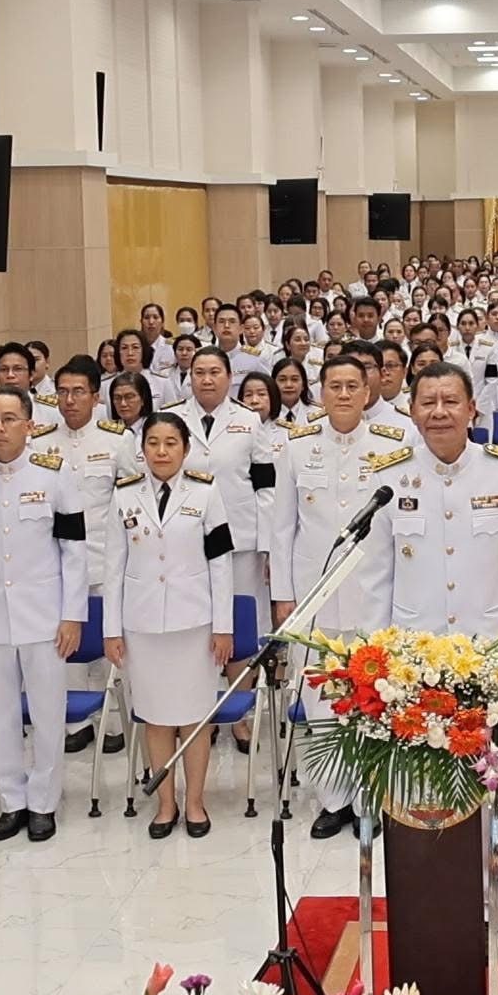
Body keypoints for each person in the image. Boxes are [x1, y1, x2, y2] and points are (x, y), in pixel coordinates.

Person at [385, 363, 498, 947]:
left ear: (473, 409)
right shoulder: (391, 479)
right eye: (427, 401)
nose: (439, 411)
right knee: (418, 793)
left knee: (486, 792)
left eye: (451, 400)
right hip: (409, 667)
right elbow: (378, 579)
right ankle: (428, 905)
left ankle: (490, 910)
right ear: (411, 410)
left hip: (486, 662)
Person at [269, 355, 407, 839]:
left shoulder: (395, 444)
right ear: (320, 393)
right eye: (335, 386)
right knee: (321, 702)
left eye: (353, 386)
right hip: (315, 598)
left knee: (374, 701)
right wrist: (284, 598)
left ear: (368, 393)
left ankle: (372, 796)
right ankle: (333, 799)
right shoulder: (295, 446)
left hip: (373, 594)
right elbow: (282, 527)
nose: (344, 394)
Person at [0, 387, 89, 843]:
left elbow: (74, 551)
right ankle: (11, 801)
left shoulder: (55, 474)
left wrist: (72, 615)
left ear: (29, 425)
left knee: (48, 711)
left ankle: (44, 802)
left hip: (44, 615)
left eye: (9, 419)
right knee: (0, 712)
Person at [103, 413, 235, 839]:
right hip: (141, 626)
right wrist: (110, 629)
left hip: (195, 624)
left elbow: (221, 563)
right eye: (154, 443)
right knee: (156, 718)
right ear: (142, 449)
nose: (162, 451)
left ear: (186, 448)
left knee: (195, 718)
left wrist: (224, 626)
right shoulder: (123, 496)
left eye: (171, 443)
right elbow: (112, 567)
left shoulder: (207, 492)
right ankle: (166, 804)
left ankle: (195, 802)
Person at [174, 347, 277, 751]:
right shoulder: (172, 419)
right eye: (199, 372)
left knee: (237, 626)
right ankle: (200, 711)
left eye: (215, 372)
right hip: (188, 544)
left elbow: (266, 488)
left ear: (229, 376)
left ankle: (240, 713)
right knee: (199, 627)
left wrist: (266, 546)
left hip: (240, 542)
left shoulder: (248, 422)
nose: (206, 379)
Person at [49, 355, 135, 755]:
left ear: (96, 397)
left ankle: (114, 720)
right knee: (64, 643)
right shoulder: (40, 442)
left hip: (104, 557)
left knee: (107, 641)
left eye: (78, 392)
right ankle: (75, 721)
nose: (69, 400)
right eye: (63, 392)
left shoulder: (117, 440)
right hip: (55, 563)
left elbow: (133, 500)